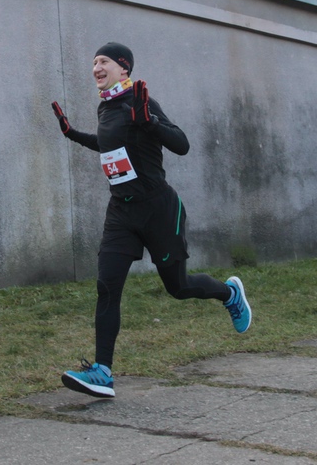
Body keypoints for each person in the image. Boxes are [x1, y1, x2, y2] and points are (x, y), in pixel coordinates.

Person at [51, 42, 251, 398]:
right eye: (94, 62)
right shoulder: (105, 106)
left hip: (158, 209)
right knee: (107, 286)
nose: (96, 67)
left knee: (178, 287)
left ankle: (229, 293)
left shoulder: (141, 102)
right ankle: (102, 372)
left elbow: (182, 144)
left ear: (124, 68)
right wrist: (72, 135)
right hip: (121, 212)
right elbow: (111, 145)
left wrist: (151, 122)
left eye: (104, 61)